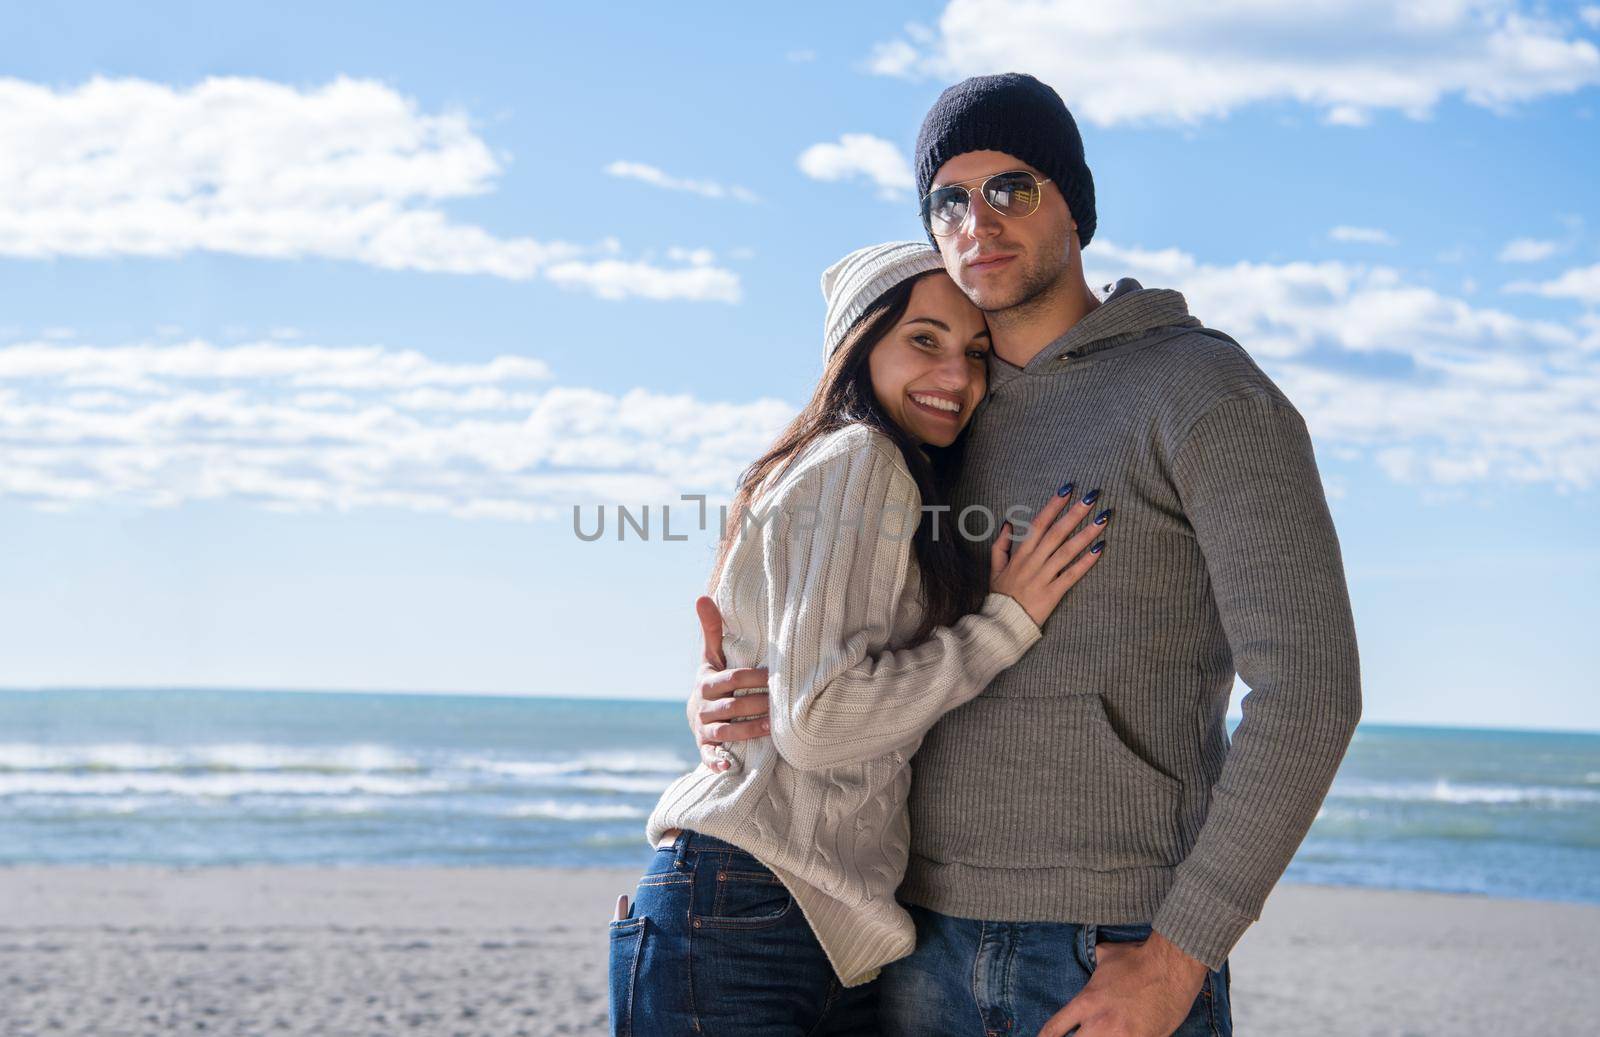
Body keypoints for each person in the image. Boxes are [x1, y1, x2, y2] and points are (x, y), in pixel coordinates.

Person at [687, 73, 1363, 1037]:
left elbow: (1312, 686)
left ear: (1074, 204)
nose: (978, 221)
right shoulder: (930, 419)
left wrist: (1180, 955)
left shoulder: (1203, 390)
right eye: (949, 200)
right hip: (910, 942)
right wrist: (727, 698)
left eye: (1011, 187)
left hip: (1110, 946)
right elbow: (829, 630)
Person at [607, 240, 1113, 1036]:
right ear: (858, 344)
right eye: (924, 339)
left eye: (976, 352)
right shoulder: (864, 458)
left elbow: (777, 689)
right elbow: (819, 719)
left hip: (783, 917)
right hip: (751, 909)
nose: (957, 375)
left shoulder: (853, 468)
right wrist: (1004, 624)